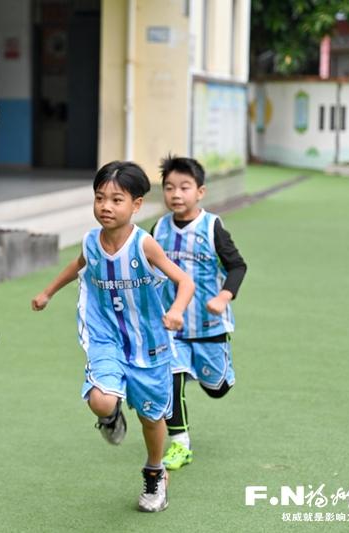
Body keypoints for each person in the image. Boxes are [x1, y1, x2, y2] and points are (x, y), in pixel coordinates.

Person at [31, 161, 194, 513]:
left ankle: (155, 471)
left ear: (136, 205)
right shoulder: (91, 241)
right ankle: (110, 415)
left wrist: (177, 310)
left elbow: (185, 281)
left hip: (150, 345)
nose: (105, 206)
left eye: (116, 199)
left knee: (152, 419)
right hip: (106, 338)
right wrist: (47, 292)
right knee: (101, 400)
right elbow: (77, 265)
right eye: (100, 197)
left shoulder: (145, 245)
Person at [151, 155, 247, 471]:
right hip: (172, 325)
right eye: (169, 188)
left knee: (217, 389)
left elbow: (237, 265)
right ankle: (180, 443)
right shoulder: (158, 229)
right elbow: (149, 271)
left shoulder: (212, 226)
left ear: (200, 192)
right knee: (172, 380)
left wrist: (223, 296)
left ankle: (215, 374)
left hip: (209, 325)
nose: (176, 194)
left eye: (184, 187)